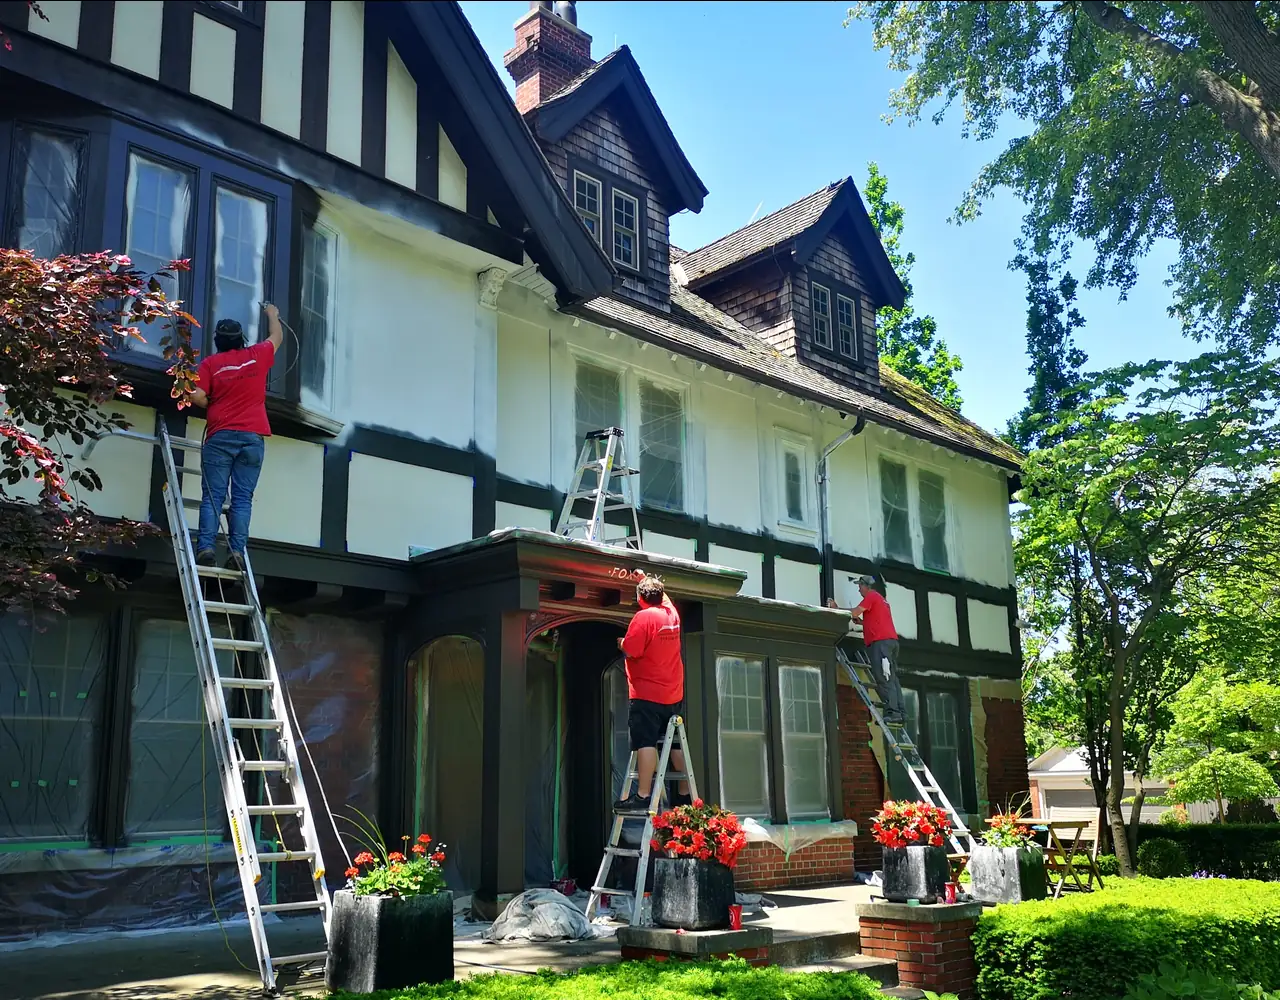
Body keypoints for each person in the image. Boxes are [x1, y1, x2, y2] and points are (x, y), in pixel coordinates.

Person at [190, 303, 283, 569]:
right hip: (252, 438)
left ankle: (206, 548)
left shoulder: (210, 364)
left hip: (220, 437)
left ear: (217, 341)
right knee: (242, 499)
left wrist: (214, 404)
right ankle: (237, 552)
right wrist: (272, 315)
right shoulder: (257, 355)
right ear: (240, 340)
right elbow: (276, 338)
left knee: (213, 497)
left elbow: (197, 395)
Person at [613, 574, 691, 812]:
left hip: (647, 694)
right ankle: (684, 793)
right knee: (674, 744)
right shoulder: (671, 614)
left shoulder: (643, 617)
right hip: (673, 694)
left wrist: (621, 643)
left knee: (645, 742)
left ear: (640, 598)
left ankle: (643, 795)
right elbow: (663, 596)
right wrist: (644, 577)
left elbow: (633, 650)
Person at [828, 575, 905, 724]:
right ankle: (901, 712)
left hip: (880, 644)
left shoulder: (871, 597)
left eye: (860, 586)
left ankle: (893, 712)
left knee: (883, 677)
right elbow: (877, 621)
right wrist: (863, 623)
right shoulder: (881, 600)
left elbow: (855, 612)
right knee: (892, 678)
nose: (858, 589)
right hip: (890, 642)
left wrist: (837, 609)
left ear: (866, 586)